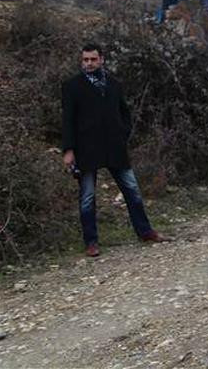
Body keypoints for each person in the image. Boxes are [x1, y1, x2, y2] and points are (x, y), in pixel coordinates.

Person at [62, 43, 169, 257]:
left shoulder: (113, 83)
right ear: (81, 60)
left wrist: (122, 133)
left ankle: (145, 231)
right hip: (86, 149)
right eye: (85, 60)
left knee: (132, 190)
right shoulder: (72, 86)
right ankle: (91, 242)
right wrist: (68, 149)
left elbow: (124, 112)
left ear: (101, 59)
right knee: (87, 197)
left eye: (93, 59)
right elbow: (67, 120)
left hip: (114, 147)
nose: (89, 63)